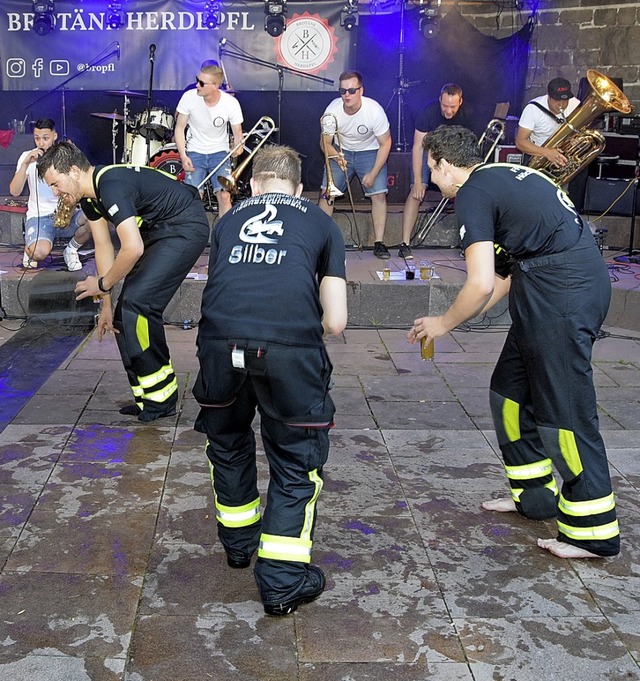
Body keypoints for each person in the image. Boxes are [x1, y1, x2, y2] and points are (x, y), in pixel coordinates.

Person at [409, 125, 619, 560]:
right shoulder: (503, 172)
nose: (432, 179)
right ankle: (535, 498)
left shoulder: (471, 193)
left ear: (446, 164)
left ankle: (593, 531)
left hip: (562, 292)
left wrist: (443, 324)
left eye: (432, 169)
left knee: (565, 413)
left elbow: (481, 281)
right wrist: (465, 314)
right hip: (546, 286)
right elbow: (503, 275)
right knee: (508, 394)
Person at [193, 144, 347, 615]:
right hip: (288, 352)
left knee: (229, 443)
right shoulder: (321, 222)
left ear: (255, 184)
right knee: (296, 462)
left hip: (219, 346)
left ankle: (239, 546)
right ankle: (281, 583)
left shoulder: (228, 221)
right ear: (299, 188)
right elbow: (337, 321)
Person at [37, 141, 210, 422]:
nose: (56, 193)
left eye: (56, 184)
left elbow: (132, 248)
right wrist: (105, 304)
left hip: (184, 226)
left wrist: (103, 284)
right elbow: (104, 247)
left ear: (73, 171)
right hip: (160, 231)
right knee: (122, 316)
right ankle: (149, 397)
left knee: (138, 305)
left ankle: (162, 401)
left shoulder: (110, 184)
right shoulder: (90, 197)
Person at [318, 70, 392, 259]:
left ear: (361, 91)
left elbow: (386, 143)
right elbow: (324, 143)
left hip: (370, 151)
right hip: (340, 150)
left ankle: (379, 242)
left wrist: (374, 173)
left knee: (379, 195)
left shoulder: (374, 111)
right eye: (343, 91)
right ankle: (318, 241)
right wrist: (337, 157)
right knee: (327, 193)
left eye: (351, 91)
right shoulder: (332, 110)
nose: (347, 95)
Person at [399, 83, 471, 259]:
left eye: (452, 107)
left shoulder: (468, 114)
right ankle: (405, 243)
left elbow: (470, 148)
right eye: (445, 106)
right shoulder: (428, 112)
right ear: (440, 99)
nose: (448, 111)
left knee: (467, 194)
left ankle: (467, 244)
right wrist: (417, 180)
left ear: (460, 102)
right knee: (416, 192)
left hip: (454, 155)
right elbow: (417, 148)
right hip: (429, 153)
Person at [9, 118, 91, 271]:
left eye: (45, 138)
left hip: (66, 214)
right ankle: (32, 248)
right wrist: (25, 164)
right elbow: (14, 192)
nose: (41, 143)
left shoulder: (63, 155)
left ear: (54, 136)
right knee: (39, 253)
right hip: (40, 218)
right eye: (37, 138)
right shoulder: (27, 157)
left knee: (94, 217)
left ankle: (71, 250)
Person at [174, 61, 244, 218]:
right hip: (195, 151)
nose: (197, 85)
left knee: (225, 195)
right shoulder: (189, 97)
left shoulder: (230, 103)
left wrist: (239, 145)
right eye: (197, 80)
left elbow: (238, 133)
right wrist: (183, 156)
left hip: (220, 152)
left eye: (201, 83)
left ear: (215, 86)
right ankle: (192, 234)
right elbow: (179, 128)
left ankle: (224, 236)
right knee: (193, 197)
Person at [515, 77, 581, 167]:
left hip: (565, 153)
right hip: (537, 154)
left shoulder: (576, 105)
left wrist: (577, 138)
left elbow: (582, 130)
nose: (561, 105)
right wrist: (546, 153)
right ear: (549, 97)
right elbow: (520, 142)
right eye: (557, 100)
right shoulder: (532, 109)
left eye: (565, 101)